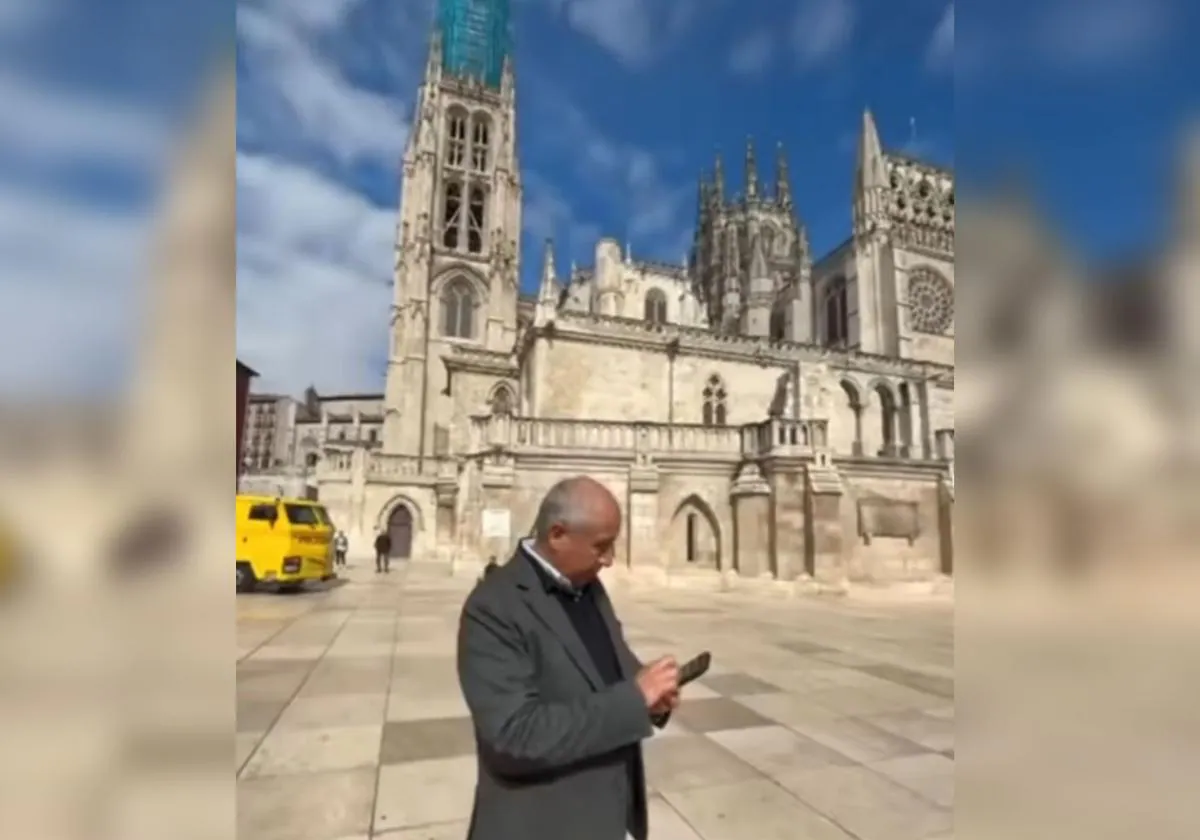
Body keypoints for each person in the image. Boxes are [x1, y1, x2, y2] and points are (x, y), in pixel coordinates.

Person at [457, 476, 681, 840]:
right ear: (558, 535)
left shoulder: (587, 586)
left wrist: (653, 697)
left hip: (606, 817)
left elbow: (613, 667)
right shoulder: (493, 607)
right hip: (542, 825)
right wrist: (634, 698)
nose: (609, 560)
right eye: (601, 546)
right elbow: (513, 737)